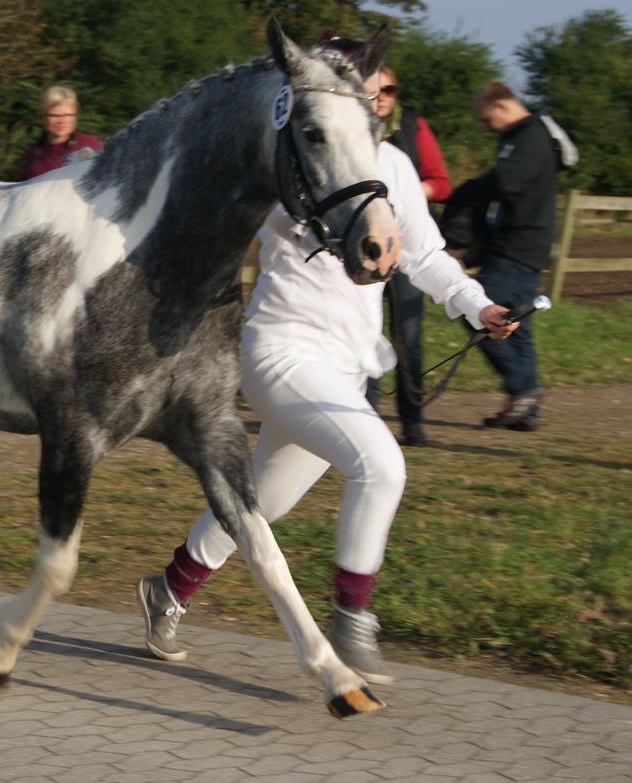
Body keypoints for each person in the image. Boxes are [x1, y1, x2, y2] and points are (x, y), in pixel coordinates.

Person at [135, 33, 520, 684]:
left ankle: (168, 588)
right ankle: (353, 620)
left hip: (346, 364)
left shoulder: (392, 168)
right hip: (282, 348)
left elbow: (424, 255)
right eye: (364, 80)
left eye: (387, 85)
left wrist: (475, 305)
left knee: (263, 498)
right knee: (381, 464)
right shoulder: (288, 156)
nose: (377, 92)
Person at [445, 81, 577, 431]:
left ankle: (524, 389)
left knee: (479, 314)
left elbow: (506, 182)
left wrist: (465, 190)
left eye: (487, 120)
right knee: (517, 326)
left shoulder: (529, 138)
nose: (487, 128)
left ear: (502, 106)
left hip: (517, 247)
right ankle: (525, 411)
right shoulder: (525, 137)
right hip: (521, 246)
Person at [365, 66, 452, 447]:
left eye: (391, 89)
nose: (383, 95)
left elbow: (441, 181)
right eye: (377, 88)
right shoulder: (342, 124)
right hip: (360, 250)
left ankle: (412, 420)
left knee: (408, 338)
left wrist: (408, 191)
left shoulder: (413, 127)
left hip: (407, 247)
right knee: (363, 333)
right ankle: (363, 419)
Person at [20, 86, 102, 180]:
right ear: (42, 116)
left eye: (68, 115)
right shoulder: (33, 153)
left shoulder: (91, 144)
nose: (62, 121)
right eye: (55, 115)